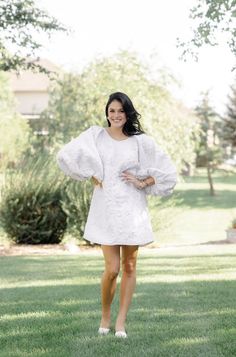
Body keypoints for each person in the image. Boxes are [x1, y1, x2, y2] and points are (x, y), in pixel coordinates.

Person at [57, 92, 177, 338]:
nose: (116, 115)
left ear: (128, 113)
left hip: (132, 208)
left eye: (121, 111)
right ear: (107, 113)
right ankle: (105, 317)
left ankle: (121, 322)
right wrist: (90, 174)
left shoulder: (140, 142)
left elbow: (167, 172)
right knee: (111, 269)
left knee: (130, 266)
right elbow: (66, 156)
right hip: (106, 207)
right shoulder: (95, 136)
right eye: (112, 111)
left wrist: (143, 182)